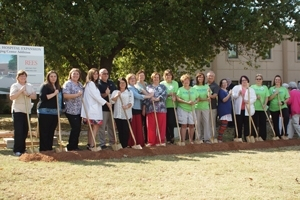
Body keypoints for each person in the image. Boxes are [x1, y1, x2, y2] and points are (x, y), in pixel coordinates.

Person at [81, 68, 111, 150]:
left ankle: (89, 144)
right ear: (90, 75)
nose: (96, 75)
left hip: (92, 109)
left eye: (97, 74)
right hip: (93, 110)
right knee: (95, 126)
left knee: (91, 127)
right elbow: (96, 96)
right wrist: (106, 103)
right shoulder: (91, 84)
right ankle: (92, 145)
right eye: (94, 74)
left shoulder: (92, 84)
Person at [9, 70, 37, 156]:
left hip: (27, 110)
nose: (23, 78)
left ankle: (23, 149)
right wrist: (20, 91)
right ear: (18, 77)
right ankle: (17, 150)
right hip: (18, 110)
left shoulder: (29, 86)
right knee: (19, 131)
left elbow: (34, 96)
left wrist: (27, 94)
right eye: (21, 76)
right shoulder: (15, 86)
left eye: (24, 76)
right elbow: (12, 97)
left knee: (25, 130)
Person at [37, 70, 63, 151]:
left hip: (55, 112)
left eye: (55, 76)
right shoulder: (45, 86)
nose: (53, 78)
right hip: (45, 111)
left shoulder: (58, 87)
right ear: (48, 77)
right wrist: (54, 93)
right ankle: (44, 149)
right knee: (45, 131)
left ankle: (49, 148)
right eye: (51, 76)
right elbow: (43, 97)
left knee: (51, 131)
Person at [126, 73, 153, 147]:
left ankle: (139, 141)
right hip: (134, 109)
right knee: (134, 126)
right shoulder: (130, 88)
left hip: (138, 108)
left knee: (138, 126)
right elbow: (137, 96)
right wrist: (148, 96)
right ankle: (133, 142)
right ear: (128, 80)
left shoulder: (135, 87)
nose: (132, 80)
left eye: (134, 78)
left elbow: (141, 90)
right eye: (131, 79)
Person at [62, 68, 83, 151]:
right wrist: (77, 95)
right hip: (71, 109)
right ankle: (71, 146)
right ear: (70, 75)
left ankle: (75, 145)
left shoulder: (80, 84)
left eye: (77, 74)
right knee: (75, 127)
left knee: (78, 128)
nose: (75, 75)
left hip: (79, 110)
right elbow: (65, 95)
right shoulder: (68, 84)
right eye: (74, 74)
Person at [144, 72, 167, 146]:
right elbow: (145, 97)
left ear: (159, 78)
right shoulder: (148, 87)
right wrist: (150, 99)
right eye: (154, 77)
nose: (156, 79)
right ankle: (151, 141)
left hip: (161, 108)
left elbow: (164, 95)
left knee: (161, 125)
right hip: (151, 108)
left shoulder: (163, 87)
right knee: (151, 126)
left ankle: (161, 141)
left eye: (157, 77)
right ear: (152, 78)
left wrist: (157, 99)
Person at [111, 78, 134, 148]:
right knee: (120, 130)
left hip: (126, 114)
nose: (122, 84)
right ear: (118, 84)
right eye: (121, 83)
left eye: (124, 82)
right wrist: (117, 95)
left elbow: (131, 102)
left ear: (126, 83)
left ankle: (125, 145)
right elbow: (112, 101)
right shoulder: (115, 91)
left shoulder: (129, 92)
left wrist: (127, 106)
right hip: (118, 114)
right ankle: (121, 145)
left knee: (126, 130)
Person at [232, 75, 256, 141]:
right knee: (238, 124)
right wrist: (238, 94)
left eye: (245, 80)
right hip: (239, 110)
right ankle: (238, 137)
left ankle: (247, 137)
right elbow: (232, 96)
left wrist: (248, 101)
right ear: (240, 81)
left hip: (247, 109)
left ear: (248, 81)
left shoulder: (251, 89)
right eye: (242, 80)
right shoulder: (236, 87)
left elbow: (254, 98)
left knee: (247, 125)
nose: (244, 81)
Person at [177, 74, 199, 144]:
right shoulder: (180, 89)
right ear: (182, 82)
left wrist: (194, 102)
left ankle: (191, 140)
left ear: (189, 81)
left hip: (192, 109)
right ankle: (182, 141)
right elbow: (178, 98)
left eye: (187, 80)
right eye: (184, 81)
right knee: (184, 125)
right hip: (183, 109)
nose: (186, 82)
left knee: (192, 125)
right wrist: (186, 102)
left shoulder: (193, 89)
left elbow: (198, 98)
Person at [98, 68, 117, 149]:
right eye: (103, 73)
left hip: (112, 108)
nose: (106, 75)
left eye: (107, 73)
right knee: (102, 127)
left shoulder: (111, 83)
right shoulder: (98, 84)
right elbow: (98, 97)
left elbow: (115, 92)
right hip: (103, 108)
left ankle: (112, 142)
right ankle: (102, 143)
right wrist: (106, 94)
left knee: (112, 126)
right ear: (100, 75)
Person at [160, 69, 179, 144]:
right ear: (164, 76)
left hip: (172, 105)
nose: (168, 76)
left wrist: (174, 95)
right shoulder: (162, 83)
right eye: (167, 75)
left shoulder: (175, 83)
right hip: (164, 106)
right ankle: (167, 137)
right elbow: (161, 93)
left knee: (171, 122)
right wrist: (168, 95)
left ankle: (172, 137)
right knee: (165, 122)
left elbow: (177, 92)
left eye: (170, 75)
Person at [268, 75, 290, 139]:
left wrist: (283, 102)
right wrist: (275, 94)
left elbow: (287, 98)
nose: (277, 81)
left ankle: (284, 133)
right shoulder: (271, 89)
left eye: (278, 80)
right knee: (275, 121)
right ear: (274, 81)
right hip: (274, 107)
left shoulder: (284, 89)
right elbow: (269, 98)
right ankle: (277, 135)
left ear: (280, 81)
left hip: (283, 106)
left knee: (286, 117)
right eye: (276, 80)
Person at [250, 74, 270, 140]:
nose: (258, 80)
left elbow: (267, 96)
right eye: (257, 79)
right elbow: (250, 95)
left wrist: (265, 104)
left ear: (262, 80)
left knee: (262, 123)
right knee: (254, 122)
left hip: (262, 108)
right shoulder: (252, 87)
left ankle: (262, 136)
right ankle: (254, 136)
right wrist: (255, 96)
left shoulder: (265, 87)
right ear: (255, 80)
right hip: (254, 108)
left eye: (260, 79)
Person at [192, 72, 210, 143]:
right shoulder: (194, 87)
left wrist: (209, 97)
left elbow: (209, 96)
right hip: (197, 107)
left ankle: (206, 138)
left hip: (205, 107)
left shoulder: (207, 86)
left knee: (206, 123)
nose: (200, 78)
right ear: (197, 78)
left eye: (202, 77)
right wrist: (204, 99)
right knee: (197, 123)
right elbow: (196, 98)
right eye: (199, 77)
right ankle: (198, 138)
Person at [135, 70, 148, 143]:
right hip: (139, 107)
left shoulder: (146, 84)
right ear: (137, 77)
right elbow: (145, 94)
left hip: (146, 106)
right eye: (140, 76)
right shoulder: (137, 85)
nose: (141, 77)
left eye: (143, 75)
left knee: (146, 124)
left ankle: (146, 139)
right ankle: (140, 139)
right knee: (140, 124)